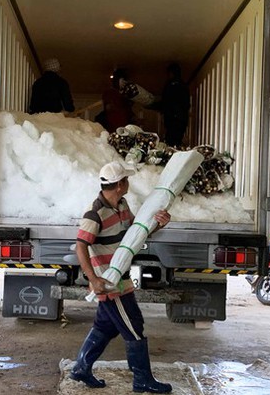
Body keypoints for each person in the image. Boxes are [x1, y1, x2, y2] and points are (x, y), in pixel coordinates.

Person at [70, 161, 173, 394]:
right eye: (126, 180)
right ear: (119, 185)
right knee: (133, 327)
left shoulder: (122, 205)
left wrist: (158, 224)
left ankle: (81, 368)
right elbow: (80, 246)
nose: (128, 183)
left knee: (106, 326)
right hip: (109, 284)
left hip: (122, 278)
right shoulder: (94, 214)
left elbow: (135, 235)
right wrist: (94, 279)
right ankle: (142, 380)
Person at [161, 63, 190, 147]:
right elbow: (186, 104)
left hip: (173, 118)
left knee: (171, 140)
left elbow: (166, 100)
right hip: (180, 118)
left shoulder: (170, 85)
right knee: (177, 139)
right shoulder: (183, 86)